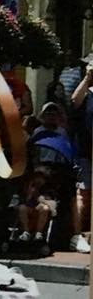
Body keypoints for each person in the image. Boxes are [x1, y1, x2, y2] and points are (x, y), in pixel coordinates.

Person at [70, 51, 93, 253]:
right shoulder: (87, 92)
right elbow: (75, 101)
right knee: (83, 193)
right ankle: (77, 235)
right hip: (86, 151)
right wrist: (87, 78)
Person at [15, 169, 56, 243]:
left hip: (41, 211)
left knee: (44, 208)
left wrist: (40, 199)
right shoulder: (29, 187)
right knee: (22, 208)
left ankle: (39, 233)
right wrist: (30, 192)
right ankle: (26, 232)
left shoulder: (47, 189)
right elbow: (24, 201)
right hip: (29, 209)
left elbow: (51, 202)